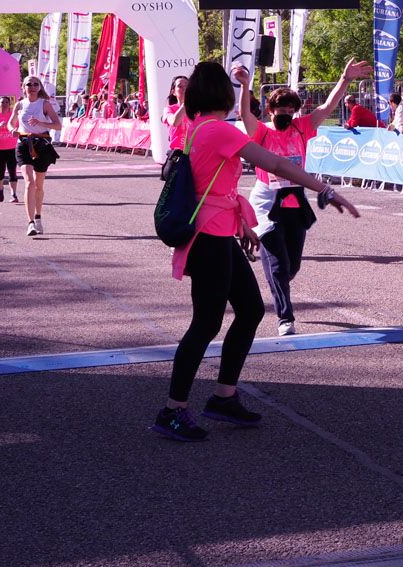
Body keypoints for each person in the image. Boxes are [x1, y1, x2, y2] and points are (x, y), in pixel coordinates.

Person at [153, 61, 360, 443]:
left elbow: (212, 185)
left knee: (248, 311)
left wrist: (242, 224)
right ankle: (173, 409)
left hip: (219, 233)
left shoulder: (198, 127)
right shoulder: (215, 129)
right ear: (223, 95)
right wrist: (326, 189)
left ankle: (224, 396)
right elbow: (276, 163)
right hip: (209, 239)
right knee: (205, 324)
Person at [235, 57, 372, 336]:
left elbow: (327, 107)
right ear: (270, 110)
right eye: (279, 109)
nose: (285, 113)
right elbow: (245, 118)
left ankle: (280, 280)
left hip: (296, 201)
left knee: (291, 265)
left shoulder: (302, 128)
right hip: (267, 201)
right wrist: (245, 87)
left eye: (290, 109)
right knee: (276, 263)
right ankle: (285, 317)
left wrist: (345, 80)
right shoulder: (261, 131)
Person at [10, 76, 62, 236]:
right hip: (24, 143)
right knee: (29, 183)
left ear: (39, 87)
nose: (32, 87)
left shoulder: (44, 104)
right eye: (29, 84)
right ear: (23, 87)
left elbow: (58, 125)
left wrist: (41, 123)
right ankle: (30, 222)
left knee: (39, 185)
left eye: (35, 84)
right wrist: (12, 129)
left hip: (42, 143)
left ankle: (38, 217)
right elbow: (10, 122)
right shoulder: (19, 104)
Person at [0, 96, 21, 204]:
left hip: (12, 148)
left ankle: (13, 194)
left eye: (7, 102)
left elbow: (19, 128)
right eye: (2, 102)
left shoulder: (13, 116)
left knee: (12, 171)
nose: (5, 104)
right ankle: (0, 189)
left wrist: (17, 131)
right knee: (0, 171)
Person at [163, 75, 190, 151]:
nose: (184, 88)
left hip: (196, 154)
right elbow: (174, 122)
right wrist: (186, 103)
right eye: (180, 86)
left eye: (187, 86)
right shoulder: (169, 109)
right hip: (178, 154)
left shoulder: (198, 109)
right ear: (173, 92)